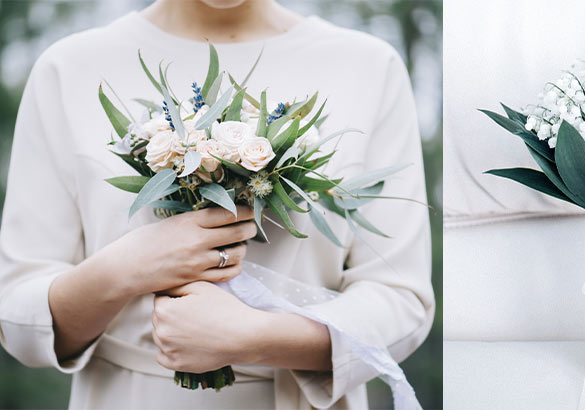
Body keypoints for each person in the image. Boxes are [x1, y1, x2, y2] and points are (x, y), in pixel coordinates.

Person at [0, 0, 434, 408]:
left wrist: (259, 336)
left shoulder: (367, 67)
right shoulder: (69, 68)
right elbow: (19, 312)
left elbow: (400, 297)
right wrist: (125, 268)